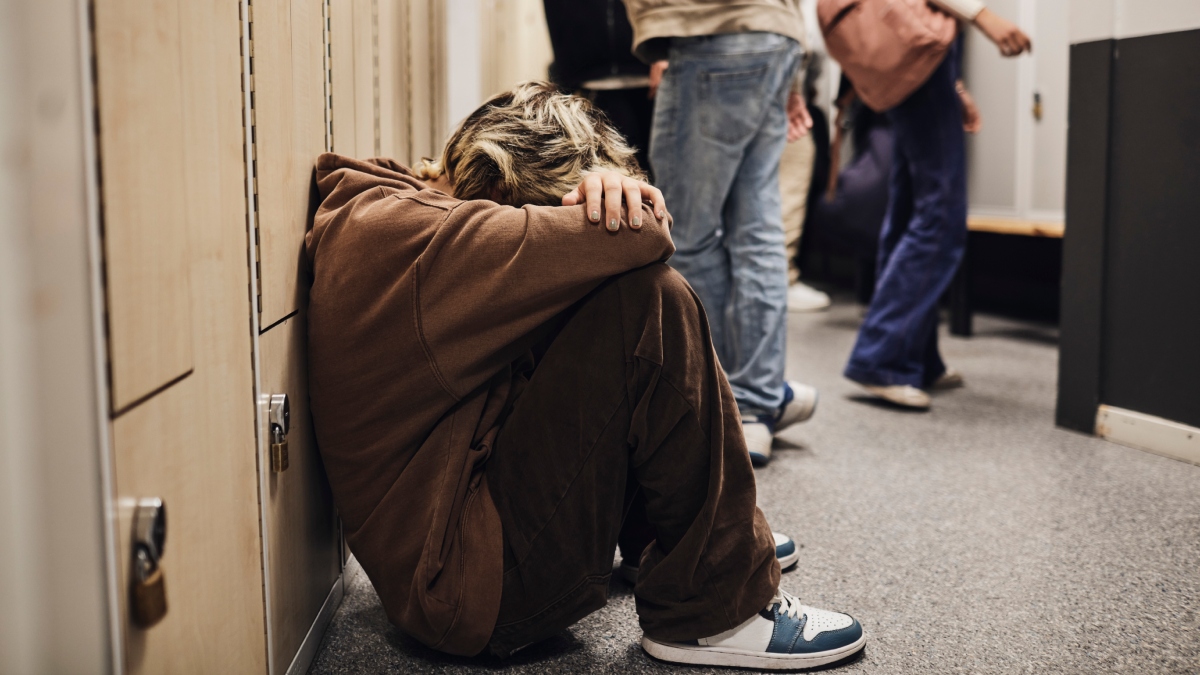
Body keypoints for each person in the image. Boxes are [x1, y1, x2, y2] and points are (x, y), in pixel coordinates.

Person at [305, 83, 865, 670]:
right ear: (499, 184)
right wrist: (613, 203)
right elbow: (647, 231)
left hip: (466, 531)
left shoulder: (400, 214)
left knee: (597, 301)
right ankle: (715, 615)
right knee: (647, 301)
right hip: (468, 587)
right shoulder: (424, 240)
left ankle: (684, 540)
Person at [624, 0, 820, 466]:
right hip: (776, 34)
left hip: (712, 30)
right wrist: (790, 71)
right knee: (757, 232)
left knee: (684, 233)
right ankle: (759, 396)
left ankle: (731, 400)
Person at [843, 2, 1030, 409]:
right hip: (921, 57)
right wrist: (984, 16)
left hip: (915, 59)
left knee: (911, 210)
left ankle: (914, 356)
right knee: (939, 217)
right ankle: (882, 359)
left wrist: (954, 85)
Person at [542, 0, 655, 177]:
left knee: (654, 173)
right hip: (588, 82)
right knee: (599, 170)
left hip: (649, 79)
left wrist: (664, 52)